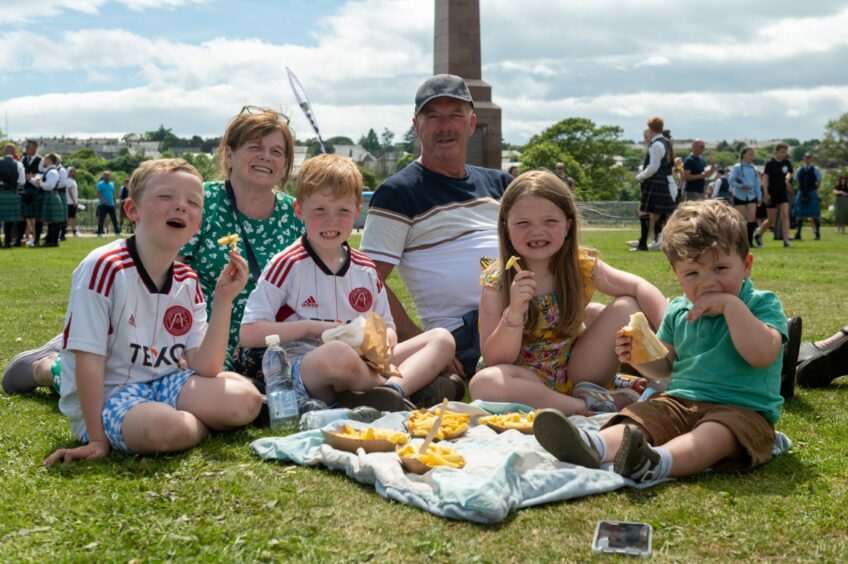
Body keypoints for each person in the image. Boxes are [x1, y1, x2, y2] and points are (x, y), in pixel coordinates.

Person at [3, 106, 304, 401]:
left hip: (266, 342)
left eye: (277, 151)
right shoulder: (200, 201)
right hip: (192, 338)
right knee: (152, 384)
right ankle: (50, 367)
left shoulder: (294, 214)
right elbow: (159, 276)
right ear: (229, 155)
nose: (266, 157)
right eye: (255, 147)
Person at [534, 199, 788, 483]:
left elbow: (762, 355)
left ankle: (658, 462)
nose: (707, 283)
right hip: (680, 401)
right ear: (678, 276)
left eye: (720, 269)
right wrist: (638, 357)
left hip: (742, 409)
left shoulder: (759, 304)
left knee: (716, 432)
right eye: (692, 273)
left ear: (746, 265)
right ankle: (594, 446)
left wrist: (731, 307)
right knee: (643, 416)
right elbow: (666, 369)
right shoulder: (680, 311)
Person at [43, 159, 261, 467]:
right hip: (112, 392)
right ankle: (44, 367)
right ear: (133, 210)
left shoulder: (188, 279)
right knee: (162, 428)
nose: (181, 207)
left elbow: (205, 365)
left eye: (192, 202)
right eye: (166, 197)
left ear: (198, 223)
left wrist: (224, 299)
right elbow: (89, 362)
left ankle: (181, 422)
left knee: (247, 400)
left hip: (165, 384)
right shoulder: (104, 267)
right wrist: (95, 439)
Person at [239, 154, 458, 410]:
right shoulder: (287, 264)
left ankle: (390, 392)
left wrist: (385, 341)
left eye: (343, 211)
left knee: (442, 339)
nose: (332, 220)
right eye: (320, 210)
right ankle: (406, 387)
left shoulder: (365, 269)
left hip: (366, 361)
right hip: (308, 365)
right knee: (336, 355)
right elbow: (248, 333)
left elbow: (386, 326)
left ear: (356, 213)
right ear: (299, 210)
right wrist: (310, 328)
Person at [468, 170, 667, 415]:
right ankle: (586, 406)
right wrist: (514, 312)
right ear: (506, 228)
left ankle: (614, 390)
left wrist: (673, 333)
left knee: (627, 305)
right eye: (523, 223)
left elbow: (639, 286)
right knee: (483, 383)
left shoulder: (581, 266)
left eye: (550, 221)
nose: (537, 231)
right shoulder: (497, 281)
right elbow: (496, 359)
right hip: (522, 380)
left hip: (576, 371)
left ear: (567, 225)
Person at [360, 74, 513, 380]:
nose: (445, 126)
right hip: (465, 331)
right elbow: (366, 280)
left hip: (523, 314)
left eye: (455, 115)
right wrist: (423, 344)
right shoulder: (399, 193)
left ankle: (628, 390)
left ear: (471, 124)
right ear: (417, 127)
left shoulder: (501, 184)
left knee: (612, 315)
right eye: (433, 117)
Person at [633, 117, 676, 252]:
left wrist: (639, 176)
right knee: (660, 213)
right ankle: (654, 240)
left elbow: (653, 167)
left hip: (656, 181)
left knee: (644, 210)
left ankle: (644, 244)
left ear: (650, 128)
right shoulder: (666, 141)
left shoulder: (657, 144)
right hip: (664, 181)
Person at [754, 143, 794, 248]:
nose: (784, 154)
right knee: (771, 219)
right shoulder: (770, 164)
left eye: (785, 152)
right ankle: (759, 235)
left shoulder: (787, 163)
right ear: (776, 152)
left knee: (785, 215)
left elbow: (790, 173)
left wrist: (787, 178)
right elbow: (765, 178)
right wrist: (765, 193)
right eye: (782, 152)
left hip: (783, 192)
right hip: (771, 193)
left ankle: (786, 240)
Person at [729, 146, 762, 248]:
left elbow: (757, 183)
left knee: (752, 218)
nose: (752, 156)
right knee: (742, 219)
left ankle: (749, 241)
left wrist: (759, 196)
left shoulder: (754, 168)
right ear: (744, 155)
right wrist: (741, 186)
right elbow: (731, 181)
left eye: (753, 154)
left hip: (751, 195)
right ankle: (739, 241)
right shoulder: (737, 167)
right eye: (750, 154)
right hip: (739, 195)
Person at [35, 153, 66, 248]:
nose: (44, 161)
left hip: (51, 195)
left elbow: (49, 186)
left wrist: (40, 182)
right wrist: (33, 180)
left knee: (53, 221)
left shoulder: (52, 172)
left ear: (49, 160)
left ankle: (53, 242)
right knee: (51, 221)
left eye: (45, 159)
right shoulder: (49, 170)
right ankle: (51, 241)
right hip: (50, 196)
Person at [792, 153, 822, 240]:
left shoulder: (816, 170)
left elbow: (819, 181)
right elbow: (797, 181)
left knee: (814, 214)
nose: (807, 160)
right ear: (803, 159)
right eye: (806, 158)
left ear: (811, 159)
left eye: (809, 158)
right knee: (799, 213)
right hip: (801, 192)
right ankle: (798, 233)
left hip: (812, 192)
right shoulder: (799, 169)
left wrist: (815, 191)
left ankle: (817, 234)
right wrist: (801, 190)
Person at [19, 139, 43, 246]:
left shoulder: (40, 160)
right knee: (25, 215)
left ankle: (34, 237)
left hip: (35, 190)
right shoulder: (23, 159)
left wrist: (31, 178)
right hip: (25, 189)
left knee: (34, 216)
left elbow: (40, 178)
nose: (26, 149)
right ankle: (27, 236)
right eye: (26, 147)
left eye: (29, 147)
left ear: (35, 148)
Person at [1, 143, 25, 247]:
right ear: (14, 152)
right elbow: (22, 181)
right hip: (12, 191)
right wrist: (14, 183)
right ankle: (7, 242)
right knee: (9, 219)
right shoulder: (18, 164)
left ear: (4, 151)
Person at [96, 171, 120, 236]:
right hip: (102, 204)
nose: (106, 177)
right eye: (105, 175)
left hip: (111, 204)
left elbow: (113, 194)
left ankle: (117, 232)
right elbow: (97, 193)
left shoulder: (111, 184)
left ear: (109, 176)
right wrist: (103, 200)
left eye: (107, 175)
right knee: (101, 219)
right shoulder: (100, 184)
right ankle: (99, 232)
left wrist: (115, 203)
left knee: (114, 219)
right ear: (103, 176)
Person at [63, 166, 79, 238]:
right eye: (72, 171)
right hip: (70, 202)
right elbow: (69, 191)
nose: (74, 172)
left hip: (72, 201)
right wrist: (74, 201)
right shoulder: (69, 180)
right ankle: (73, 231)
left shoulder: (73, 180)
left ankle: (71, 230)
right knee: (71, 217)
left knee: (71, 217)